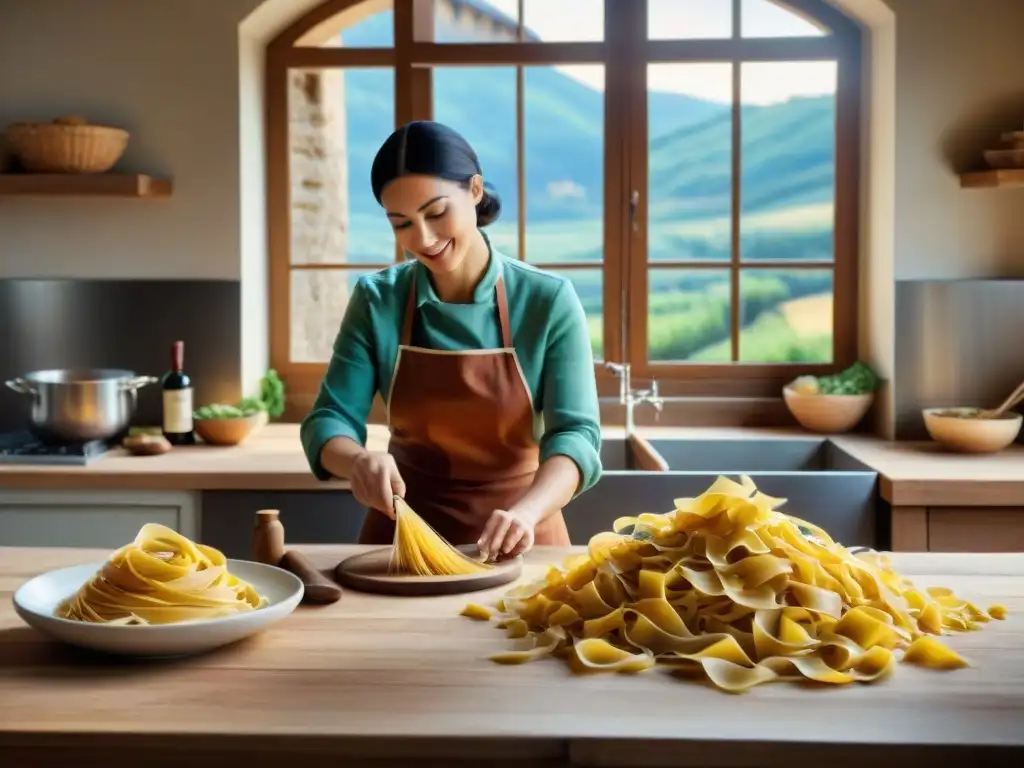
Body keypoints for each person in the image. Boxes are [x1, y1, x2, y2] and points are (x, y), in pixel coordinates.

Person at [300, 120, 602, 560]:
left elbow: (576, 436)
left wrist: (527, 511)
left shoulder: (546, 300)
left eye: (437, 213)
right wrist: (358, 461)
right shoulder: (377, 300)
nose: (422, 239)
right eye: (401, 223)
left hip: (523, 539)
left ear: (475, 191)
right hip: (401, 545)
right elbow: (328, 421)